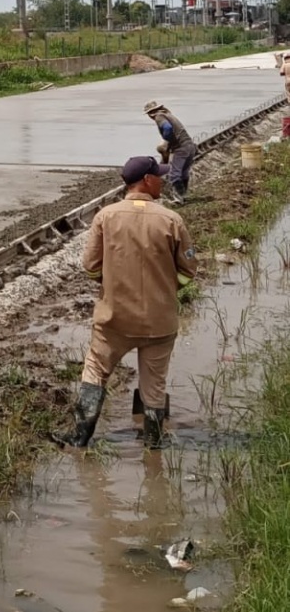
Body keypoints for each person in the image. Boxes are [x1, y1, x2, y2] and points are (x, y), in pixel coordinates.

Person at [62, 156, 198, 450]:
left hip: (115, 319)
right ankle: (153, 443)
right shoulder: (171, 219)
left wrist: (108, 283)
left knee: (96, 369)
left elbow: (90, 267)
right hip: (160, 321)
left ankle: (79, 438)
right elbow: (189, 269)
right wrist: (166, 288)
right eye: (159, 176)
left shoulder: (106, 217)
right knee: (154, 383)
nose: (162, 179)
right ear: (147, 181)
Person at [144, 101, 196, 205]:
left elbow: (167, 128)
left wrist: (167, 141)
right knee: (183, 172)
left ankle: (178, 199)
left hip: (180, 148)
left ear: (150, 113)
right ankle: (184, 196)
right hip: (190, 146)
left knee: (174, 174)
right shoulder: (168, 114)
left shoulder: (158, 116)